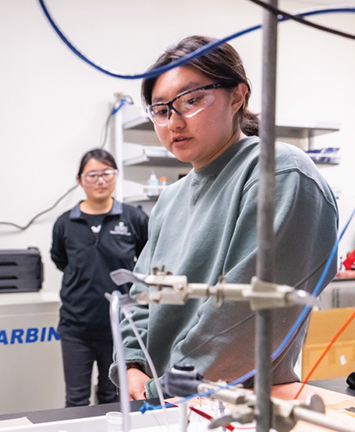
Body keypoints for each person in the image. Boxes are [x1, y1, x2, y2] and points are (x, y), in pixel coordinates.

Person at [110, 35, 338, 400]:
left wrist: (162, 387)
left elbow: (245, 316)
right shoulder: (171, 199)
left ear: (237, 96)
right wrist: (133, 363)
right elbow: (142, 294)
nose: (174, 122)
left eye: (192, 100)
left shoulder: (279, 173)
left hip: (237, 402)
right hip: (160, 402)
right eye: (161, 110)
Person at [51, 149, 149, 407]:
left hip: (120, 328)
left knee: (113, 400)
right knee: (76, 399)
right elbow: (60, 260)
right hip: (76, 327)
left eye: (107, 173)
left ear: (116, 177)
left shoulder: (134, 218)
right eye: (92, 174)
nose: (100, 180)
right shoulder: (65, 223)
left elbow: (148, 259)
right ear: (80, 180)